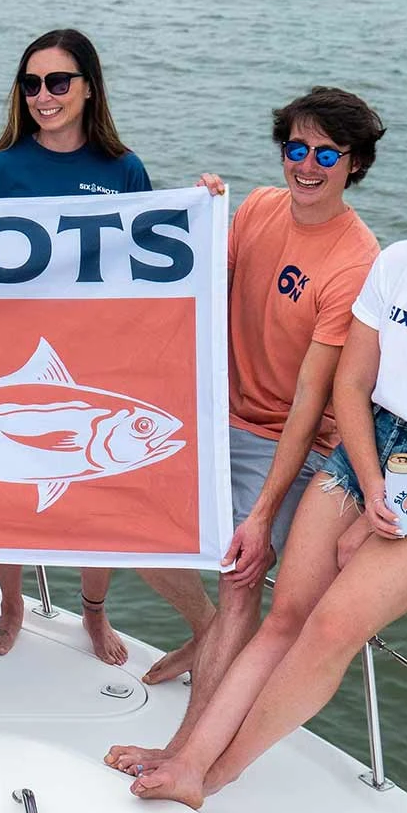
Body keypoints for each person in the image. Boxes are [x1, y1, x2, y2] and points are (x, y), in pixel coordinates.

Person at [116, 136, 407, 808]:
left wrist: (378, 514)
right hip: (368, 447)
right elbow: (352, 385)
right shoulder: (401, 264)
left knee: (329, 629)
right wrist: (366, 485)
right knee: (283, 618)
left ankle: (211, 776)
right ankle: (186, 756)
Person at [98, 88, 385, 757]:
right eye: (295, 148)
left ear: (354, 164)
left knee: (239, 567)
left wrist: (260, 513)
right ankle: (206, 631)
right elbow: (194, 285)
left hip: (295, 441)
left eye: (325, 154)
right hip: (217, 417)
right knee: (117, 522)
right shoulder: (256, 207)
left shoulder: (357, 262)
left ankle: (184, 749)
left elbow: (313, 400)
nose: (306, 166)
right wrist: (195, 214)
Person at [0, 28, 216, 660]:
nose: (43, 96)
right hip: (14, 356)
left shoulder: (121, 168)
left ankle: (93, 614)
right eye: (31, 84)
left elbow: (157, 258)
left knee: (93, 488)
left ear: (87, 88)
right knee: (13, 484)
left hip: (94, 357)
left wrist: (202, 205)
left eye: (57, 82)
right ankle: (14, 604)